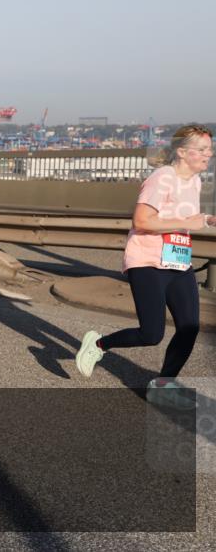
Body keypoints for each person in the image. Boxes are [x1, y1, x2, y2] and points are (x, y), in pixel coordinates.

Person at [76, 124, 215, 409]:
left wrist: (205, 220)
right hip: (147, 261)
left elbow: (181, 218)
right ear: (181, 151)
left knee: (188, 327)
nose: (209, 154)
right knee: (151, 335)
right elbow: (141, 221)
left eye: (210, 149)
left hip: (177, 260)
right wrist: (185, 223)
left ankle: (163, 386)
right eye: (202, 149)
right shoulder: (162, 177)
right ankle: (99, 345)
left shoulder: (195, 182)